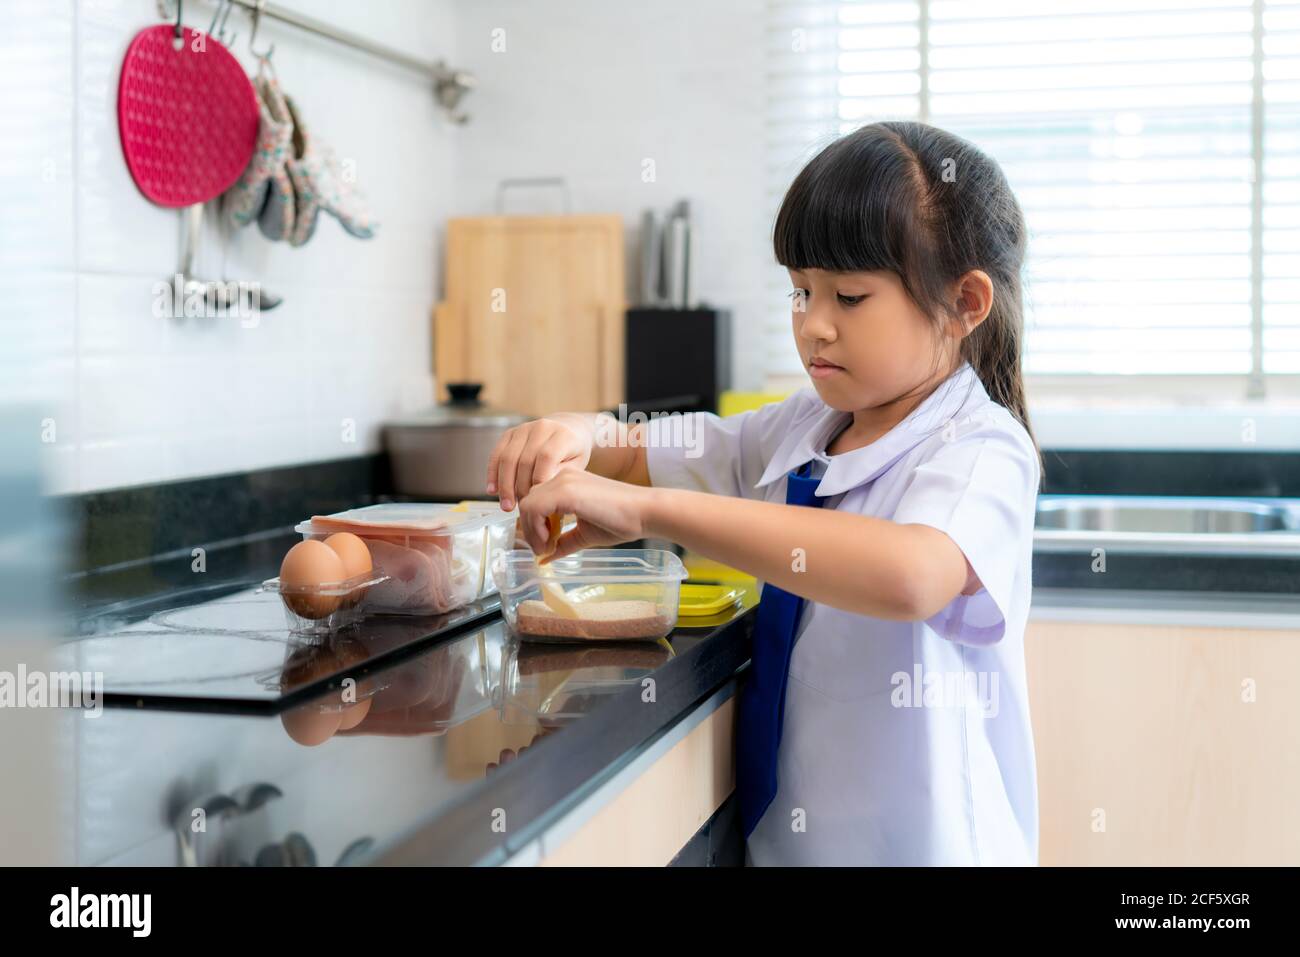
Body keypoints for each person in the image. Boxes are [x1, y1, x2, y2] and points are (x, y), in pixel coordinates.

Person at [484, 120, 1043, 866]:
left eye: (849, 296)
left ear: (964, 302)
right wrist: (577, 432)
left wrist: (651, 513)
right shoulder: (809, 423)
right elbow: (652, 451)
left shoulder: (980, 448)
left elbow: (911, 573)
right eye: (801, 291)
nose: (813, 325)